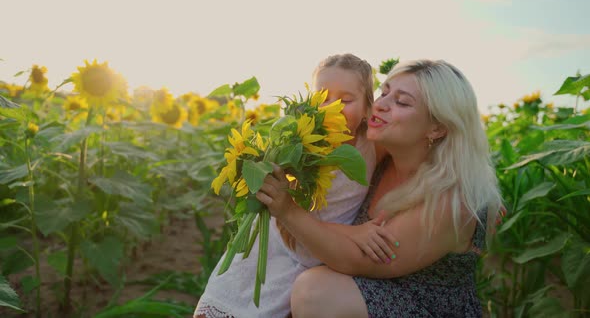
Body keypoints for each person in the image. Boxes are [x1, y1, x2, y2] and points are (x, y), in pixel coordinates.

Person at [256, 59, 503, 317]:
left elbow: (356, 260)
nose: (380, 105)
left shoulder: (451, 199)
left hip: (424, 307)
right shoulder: (381, 158)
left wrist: (288, 211)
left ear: (438, 127)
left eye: (402, 102)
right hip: (362, 292)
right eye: (384, 93)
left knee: (314, 291)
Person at [194, 53, 377, 318]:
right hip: (272, 241)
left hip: (310, 253)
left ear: (367, 109)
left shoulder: (371, 148)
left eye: (346, 100)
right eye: (321, 98)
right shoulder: (300, 144)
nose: (331, 107)